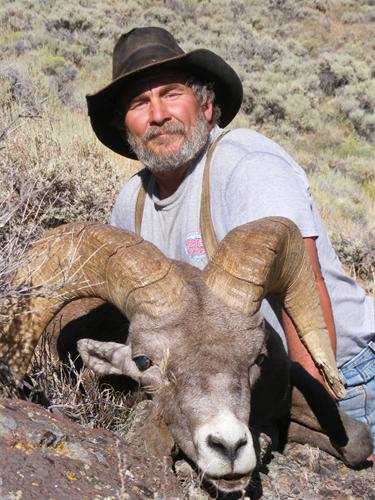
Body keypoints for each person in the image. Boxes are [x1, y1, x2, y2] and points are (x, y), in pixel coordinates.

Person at [86, 27, 375, 455]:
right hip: (222, 386)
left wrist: (318, 407)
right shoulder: (131, 204)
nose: (158, 115)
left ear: (206, 107)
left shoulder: (246, 164)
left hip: (337, 376)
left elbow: (306, 282)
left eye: (171, 94)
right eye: (139, 103)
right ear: (124, 126)